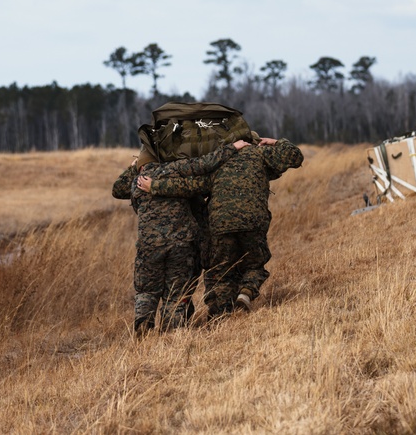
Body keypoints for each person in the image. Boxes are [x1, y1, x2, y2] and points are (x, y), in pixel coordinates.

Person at [138, 136, 302, 319]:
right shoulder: (261, 155)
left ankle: (219, 315)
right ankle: (246, 292)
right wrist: (276, 142)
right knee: (255, 263)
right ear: (254, 142)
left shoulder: (218, 161)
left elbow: (189, 186)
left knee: (220, 271)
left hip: (220, 223)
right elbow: (294, 156)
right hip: (253, 221)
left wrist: (155, 186)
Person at [115, 140, 251, 336]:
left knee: (147, 291)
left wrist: (133, 168)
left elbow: (117, 189)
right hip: (181, 245)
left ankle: (143, 327)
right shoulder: (176, 171)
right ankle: (172, 335)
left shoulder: (137, 182)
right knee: (176, 295)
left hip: (149, 246)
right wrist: (232, 147)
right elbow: (205, 163)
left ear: (141, 163)